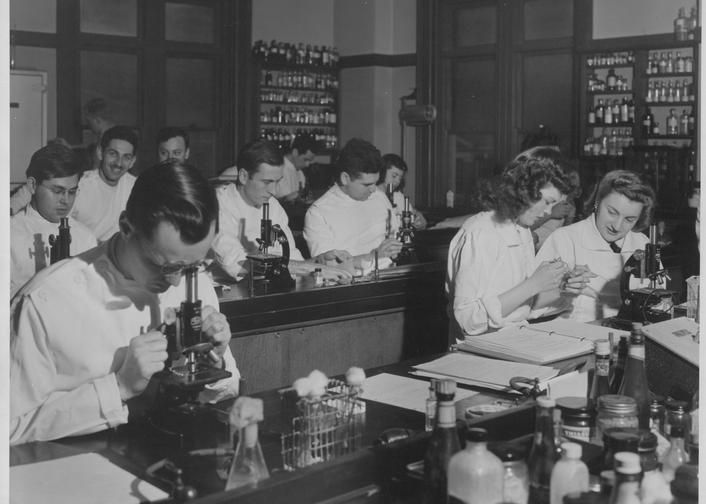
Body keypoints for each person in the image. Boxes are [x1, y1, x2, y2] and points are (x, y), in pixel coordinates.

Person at [10, 160, 240, 445]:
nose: (177, 283)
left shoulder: (196, 281)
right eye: (163, 266)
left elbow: (227, 391)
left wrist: (212, 358)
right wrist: (118, 387)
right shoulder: (46, 301)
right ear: (126, 226)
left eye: (192, 266)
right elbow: (10, 428)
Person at [445, 148, 583, 339]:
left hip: (513, 341)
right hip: (475, 353)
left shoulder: (522, 231)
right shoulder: (482, 231)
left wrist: (562, 289)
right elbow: (468, 320)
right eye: (547, 201)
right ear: (524, 189)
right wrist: (534, 284)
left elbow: (524, 309)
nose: (548, 212)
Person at [210, 139, 350, 283]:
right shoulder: (217, 204)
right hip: (222, 292)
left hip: (264, 288)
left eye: (277, 182)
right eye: (267, 182)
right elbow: (238, 265)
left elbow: (292, 261)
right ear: (244, 176)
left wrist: (318, 262)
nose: (274, 191)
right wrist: (308, 268)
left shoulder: (272, 205)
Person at [535, 169, 658, 322]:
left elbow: (657, 299)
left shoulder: (641, 243)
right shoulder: (565, 239)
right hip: (577, 334)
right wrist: (563, 290)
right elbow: (531, 305)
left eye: (629, 219)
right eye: (612, 212)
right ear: (597, 202)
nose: (617, 226)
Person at [304, 138, 403, 273]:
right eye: (367, 184)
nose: (374, 189)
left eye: (376, 182)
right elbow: (327, 268)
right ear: (345, 178)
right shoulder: (318, 212)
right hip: (349, 287)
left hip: (388, 277)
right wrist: (372, 256)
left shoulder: (379, 197)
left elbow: (395, 237)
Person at [10, 143, 97, 297]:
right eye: (57, 191)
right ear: (32, 185)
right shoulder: (10, 234)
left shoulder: (86, 238)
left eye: (72, 192)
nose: (65, 200)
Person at [70, 125, 138, 242]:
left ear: (132, 162)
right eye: (113, 154)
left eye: (126, 157)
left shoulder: (137, 187)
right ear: (100, 153)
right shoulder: (79, 186)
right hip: (83, 256)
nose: (118, 163)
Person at [377, 153, 427, 230]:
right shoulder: (372, 194)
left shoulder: (398, 195)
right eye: (394, 176)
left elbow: (414, 215)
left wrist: (420, 221)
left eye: (400, 178)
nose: (397, 181)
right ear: (382, 172)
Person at [274, 134, 320, 203]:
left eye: (309, 161)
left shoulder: (299, 172)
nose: (307, 165)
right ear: (295, 152)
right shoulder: (278, 169)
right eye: (305, 160)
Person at [83, 97, 116, 171]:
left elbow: (96, 170)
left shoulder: (104, 141)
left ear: (96, 120)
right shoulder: (123, 135)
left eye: (88, 121)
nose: (88, 125)